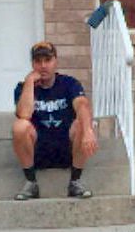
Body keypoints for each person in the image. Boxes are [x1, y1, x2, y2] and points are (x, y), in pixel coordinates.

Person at [13, 40, 98, 199]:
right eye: (38, 61)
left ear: (55, 61)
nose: (43, 66)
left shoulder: (69, 84)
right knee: (20, 126)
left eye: (48, 60)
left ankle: (75, 181)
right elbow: (24, 114)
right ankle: (31, 183)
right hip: (38, 151)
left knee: (82, 122)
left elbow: (82, 105)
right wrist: (30, 83)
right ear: (32, 64)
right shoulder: (23, 87)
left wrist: (88, 131)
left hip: (66, 149)